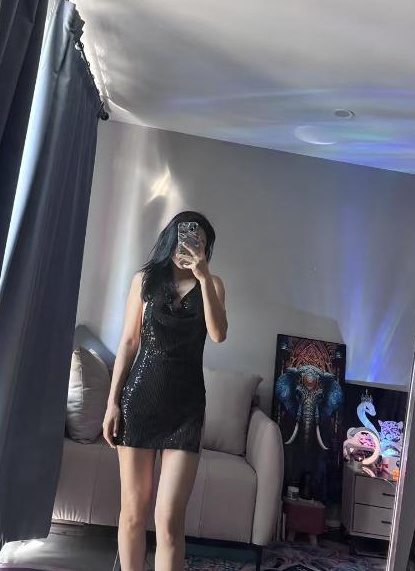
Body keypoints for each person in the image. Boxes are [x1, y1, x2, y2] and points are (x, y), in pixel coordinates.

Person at [102, 211, 227, 571]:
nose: (190, 245)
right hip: (139, 401)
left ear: (206, 248)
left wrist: (203, 276)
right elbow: (129, 342)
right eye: (186, 236)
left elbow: (218, 334)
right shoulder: (144, 280)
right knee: (133, 512)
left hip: (186, 410)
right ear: (172, 238)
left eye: (199, 241)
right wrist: (112, 402)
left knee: (170, 522)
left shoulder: (213, 284)